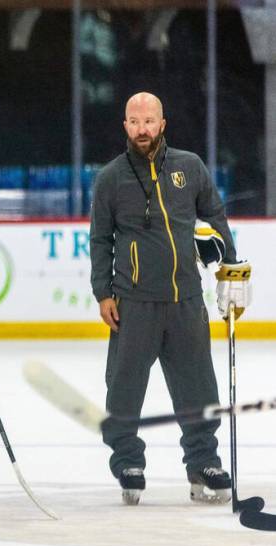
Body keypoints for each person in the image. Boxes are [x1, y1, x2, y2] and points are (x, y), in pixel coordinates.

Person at [89, 92, 252, 506]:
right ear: (124, 125)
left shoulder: (189, 166)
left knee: (198, 386)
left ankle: (204, 463)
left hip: (185, 301)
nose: (141, 128)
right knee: (124, 387)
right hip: (133, 302)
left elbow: (215, 218)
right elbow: (100, 240)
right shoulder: (110, 177)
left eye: (149, 120)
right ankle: (128, 461)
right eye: (134, 120)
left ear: (163, 123)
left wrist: (230, 270)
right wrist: (103, 292)